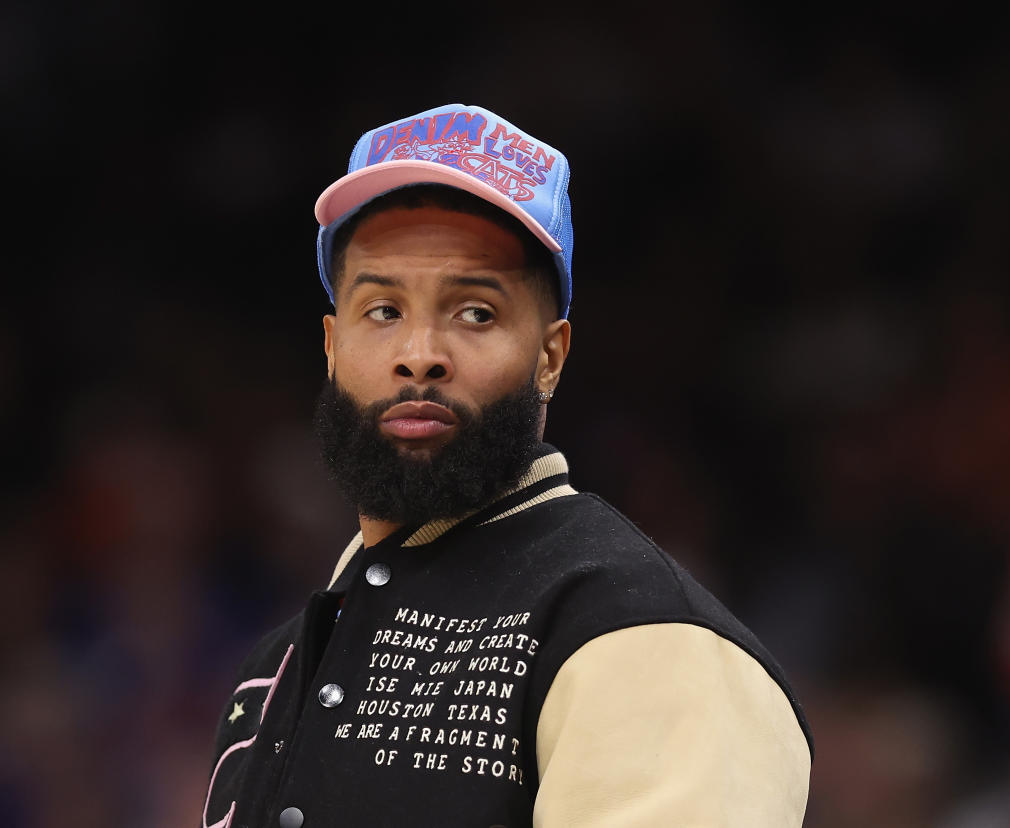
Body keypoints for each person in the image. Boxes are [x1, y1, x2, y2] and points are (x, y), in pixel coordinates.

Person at [201, 102, 812, 827]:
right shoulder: (273, 674)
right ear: (332, 348)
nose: (419, 351)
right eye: (383, 310)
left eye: (476, 313)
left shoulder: (645, 636)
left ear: (550, 356)